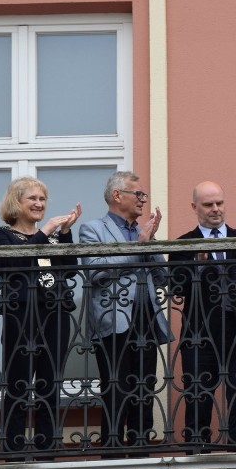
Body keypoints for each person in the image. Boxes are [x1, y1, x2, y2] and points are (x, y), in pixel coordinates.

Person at [0, 177, 81, 455]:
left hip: (54, 314)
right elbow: (12, 265)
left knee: (50, 384)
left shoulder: (50, 236)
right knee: (18, 384)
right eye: (32, 199)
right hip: (21, 317)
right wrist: (44, 233)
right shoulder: (3, 234)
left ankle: (46, 447)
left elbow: (69, 270)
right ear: (17, 202)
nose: (39, 204)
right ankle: (13, 450)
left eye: (42, 199)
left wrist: (64, 233)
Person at [169, 181, 236, 446]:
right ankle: (198, 452)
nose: (215, 209)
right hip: (200, 334)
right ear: (195, 207)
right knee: (198, 398)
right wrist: (198, 266)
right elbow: (176, 286)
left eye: (219, 203)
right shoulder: (183, 244)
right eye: (208, 205)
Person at [79, 171, 173, 453]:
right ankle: (112, 446)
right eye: (139, 194)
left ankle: (141, 443)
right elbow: (94, 271)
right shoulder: (92, 228)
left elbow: (162, 277)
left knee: (145, 383)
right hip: (114, 320)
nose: (143, 200)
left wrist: (151, 242)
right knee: (116, 383)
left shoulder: (141, 232)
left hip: (146, 318)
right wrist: (139, 245)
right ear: (118, 195)